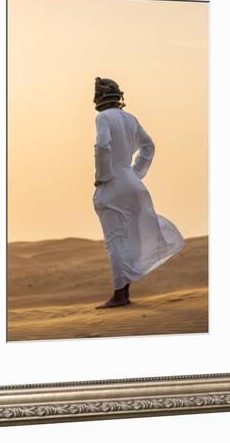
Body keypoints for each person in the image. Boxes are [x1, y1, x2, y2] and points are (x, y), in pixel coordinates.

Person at [92, 77, 185, 309]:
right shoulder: (130, 118)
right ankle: (123, 292)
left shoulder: (103, 117)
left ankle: (119, 295)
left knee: (115, 240)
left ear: (99, 97)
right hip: (133, 185)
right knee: (131, 236)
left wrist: (102, 175)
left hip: (113, 185)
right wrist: (135, 173)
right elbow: (149, 146)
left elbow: (103, 146)